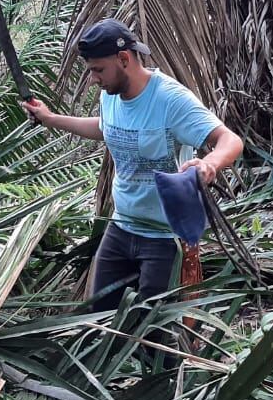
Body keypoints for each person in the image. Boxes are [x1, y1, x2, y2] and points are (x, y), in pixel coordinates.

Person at [22, 18, 244, 313]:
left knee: (155, 335)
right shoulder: (110, 96)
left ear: (124, 59)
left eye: (97, 70)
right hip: (121, 227)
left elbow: (230, 140)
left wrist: (208, 165)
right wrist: (51, 119)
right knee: (100, 316)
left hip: (164, 238)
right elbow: (106, 128)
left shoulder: (170, 99)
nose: (93, 80)